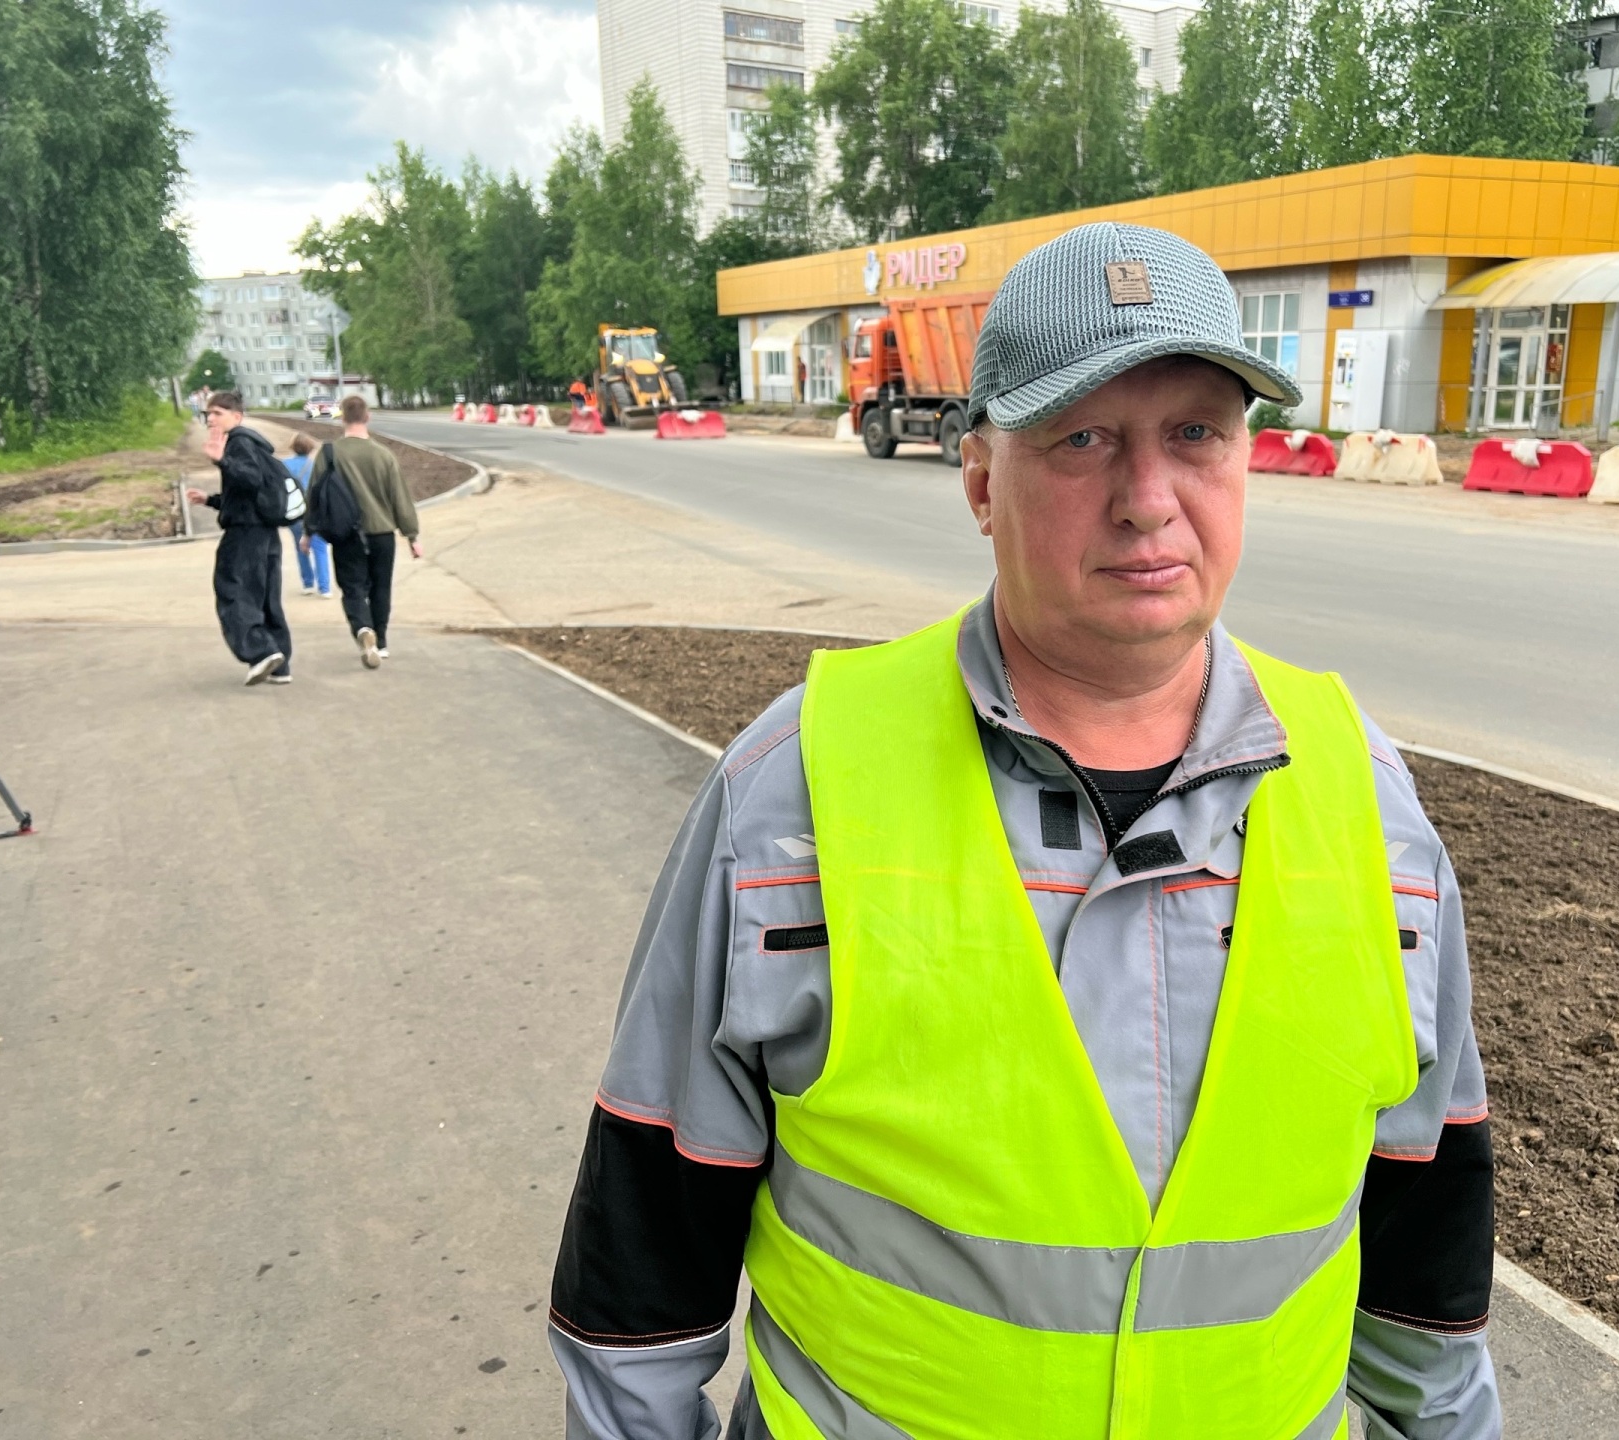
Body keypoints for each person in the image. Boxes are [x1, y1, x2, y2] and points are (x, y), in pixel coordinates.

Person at [548, 224, 1499, 1438]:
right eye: (1083, 438)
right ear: (982, 483)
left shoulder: (1368, 802)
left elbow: (1427, 1272)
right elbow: (643, 1285)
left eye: (1195, 434)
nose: (1148, 501)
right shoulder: (792, 796)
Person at [183, 391, 291, 687]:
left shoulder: (239, 442)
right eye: (208, 414)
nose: (210, 419)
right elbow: (247, 495)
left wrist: (222, 461)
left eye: (217, 413)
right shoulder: (254, 444)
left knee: (233, 591)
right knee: (267, 598)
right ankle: (280, 665)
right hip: (265, 532)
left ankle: (261, 652)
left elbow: (251, 479)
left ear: (237, 416)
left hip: (245, 534)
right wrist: (211, 500)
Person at [309, 394, 421, 669]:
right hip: (382, 533)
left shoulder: (329, 454)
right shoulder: (384, 455)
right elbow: (400, 498)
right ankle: (380, 642)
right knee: (381, 587)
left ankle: (362, 627)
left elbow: (315, 495)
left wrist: (307, 531)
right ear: (367, 417)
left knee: (353, 587)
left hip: (346, 535)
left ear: (342, 418)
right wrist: (412, 536)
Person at [284, 433, 331, 598]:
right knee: (320, 547)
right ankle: (324, 587)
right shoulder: (316, 465)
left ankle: (308, 583)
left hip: (295, 511)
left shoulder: (284, 465)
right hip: (315, 511)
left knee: (301, 547)